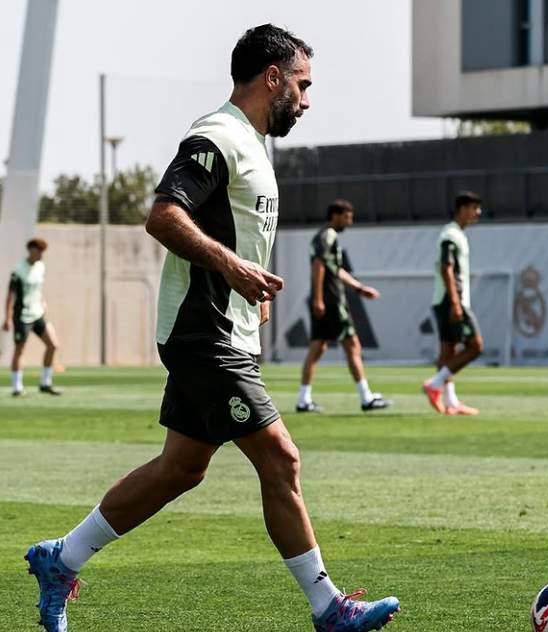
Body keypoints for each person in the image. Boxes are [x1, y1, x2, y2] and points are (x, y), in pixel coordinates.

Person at [24, 25, 399, 632]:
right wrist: (232, 268)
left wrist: (250, 288)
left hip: (227, 328)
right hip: (204, 333)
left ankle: (60, 558)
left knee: (182, 468)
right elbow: (163, 215)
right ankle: (329, 607)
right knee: (281, 458)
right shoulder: (216, 136)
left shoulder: (253, 146)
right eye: (303, 85)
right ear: (273, 77)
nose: (307, 100)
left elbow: (235, 233)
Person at [296, 199, 391, 412]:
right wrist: (319, 298)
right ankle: (366, 398)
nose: (350, 222)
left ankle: (303, 400)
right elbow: (319, 265)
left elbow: (335, 270)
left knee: (318, 348)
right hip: (331, 301)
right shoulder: (327, 235)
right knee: (352, 345)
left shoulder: (325, 236)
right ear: (335, 216)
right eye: (347, 217)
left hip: (325, 300)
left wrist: (359, 288)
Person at [423, 191, 484, 415]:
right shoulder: (450, 235)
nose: (478, 212)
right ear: (462, 209)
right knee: (475, 346)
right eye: (474, 208)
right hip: (451, 300)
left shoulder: (456, 234)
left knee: (448, 350)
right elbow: (446, 268)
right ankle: (435, 384)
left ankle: (451, 402)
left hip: (446, 300)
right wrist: (456, 303)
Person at [2, 238, 61, 396]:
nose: (41, 254)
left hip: (37, 314)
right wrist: (7, 318)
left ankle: (45, 383)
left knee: (53, 345)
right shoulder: (18, 271)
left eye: (43, 251)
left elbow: (37, 289)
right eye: (39, 251)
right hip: (22, 316)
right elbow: (10, 296)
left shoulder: (41, 267)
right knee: (20, 350)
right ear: (31, 250)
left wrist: (42, 301)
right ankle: (17, 387)